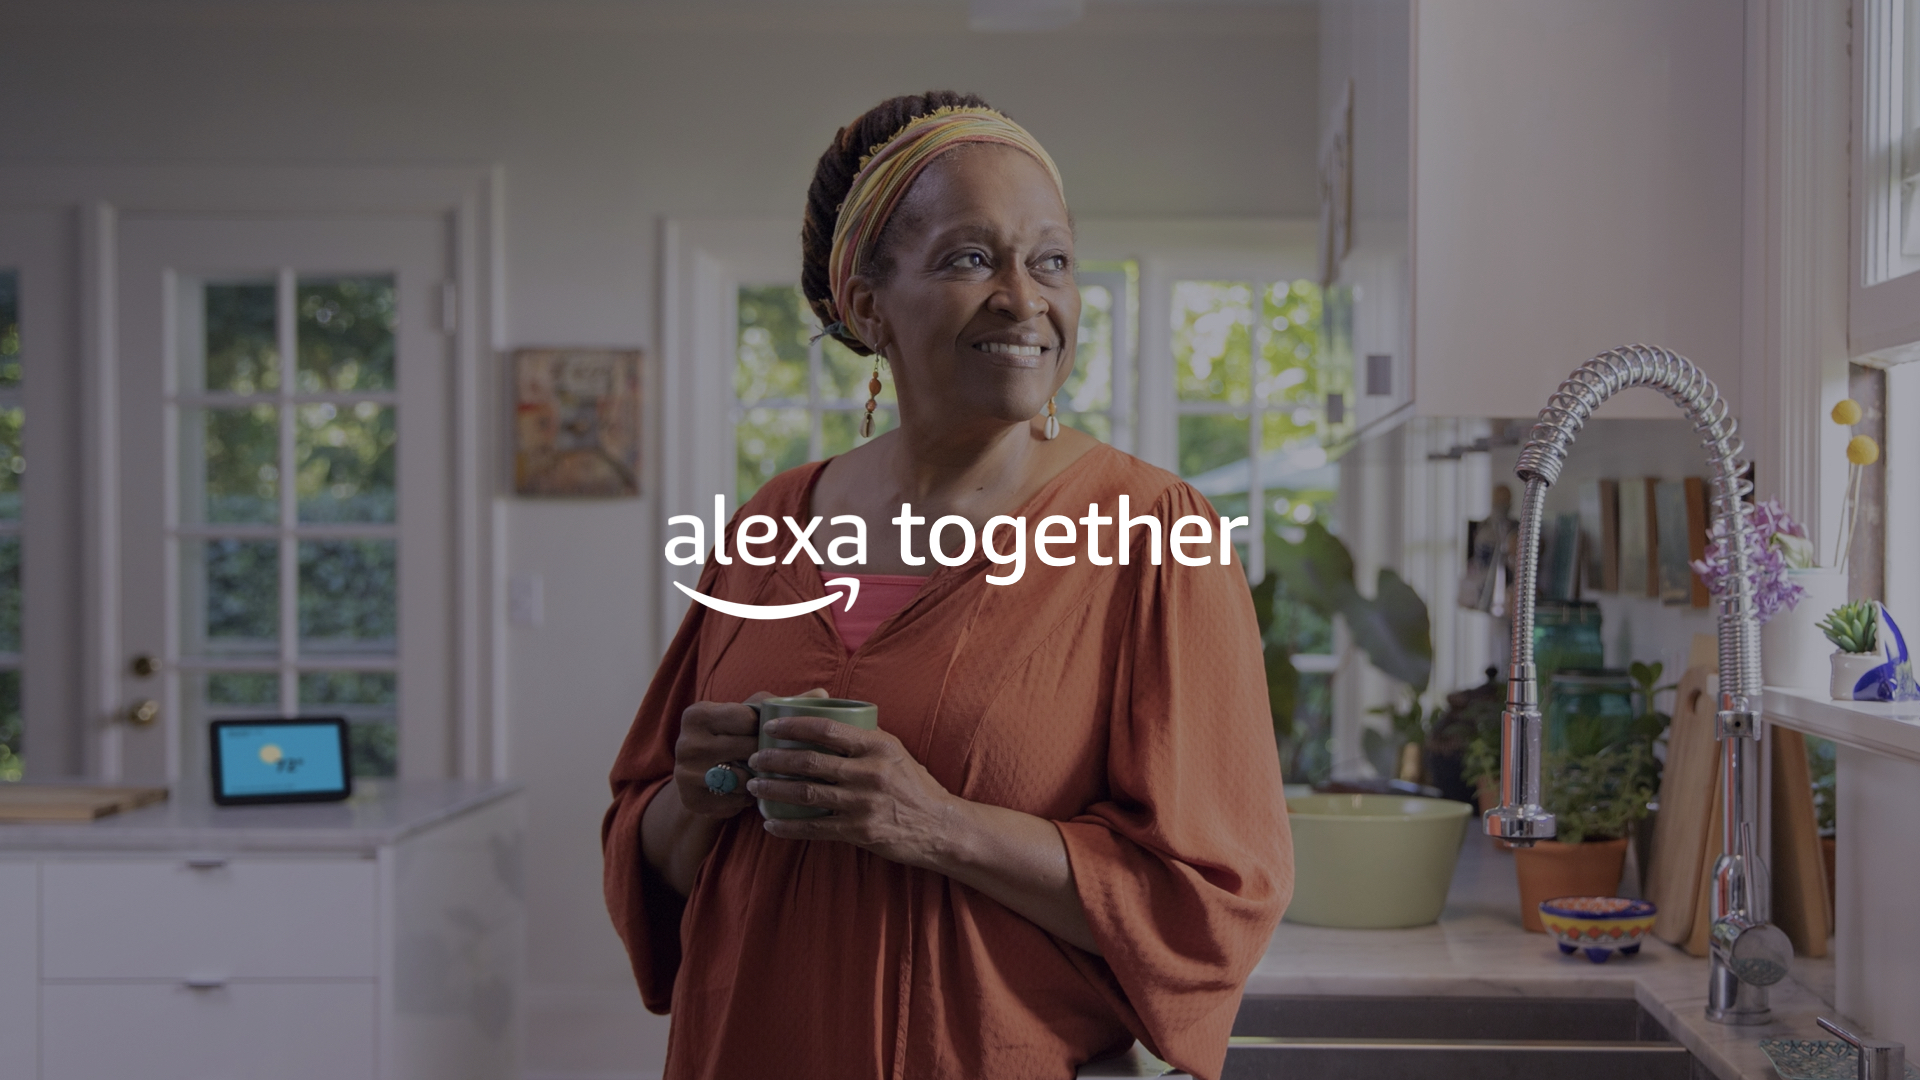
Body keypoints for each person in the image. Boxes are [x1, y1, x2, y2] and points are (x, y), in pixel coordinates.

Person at [603, 90, 1292, 1080]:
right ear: (865, 304)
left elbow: (1211, 903)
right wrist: (702, 791)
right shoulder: (767, 524)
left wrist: (937, 825)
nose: (1025, 298)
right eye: (971, 258)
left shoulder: (1152, 537)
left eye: (1050, 259)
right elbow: (653, 860)